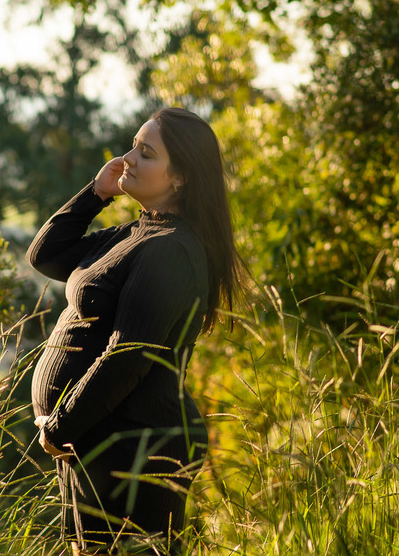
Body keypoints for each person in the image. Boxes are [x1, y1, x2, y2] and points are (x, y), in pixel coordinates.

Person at [28, 107, 249, 555]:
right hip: (95, 446)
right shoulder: (136, 233)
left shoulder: (171, 250)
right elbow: (46, 256)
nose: (128, 158)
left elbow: (128, 352)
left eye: (145, 153)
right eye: (133, 145)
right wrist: (95, 194)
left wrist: (61, 428)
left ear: (181, 178)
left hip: (133, 452)